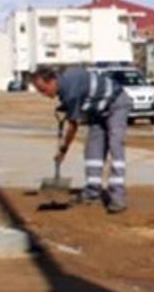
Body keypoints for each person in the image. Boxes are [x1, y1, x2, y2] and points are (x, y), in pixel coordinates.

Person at [31, 65, 131, 213]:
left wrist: (63, 150)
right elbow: (81, 90)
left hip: (116, 103)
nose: (43, 94)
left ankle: (118, 198)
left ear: (52, 81)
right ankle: (92, 192)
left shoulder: (71, 92)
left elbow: (73, 126)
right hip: (97, 111)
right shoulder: (65, 79)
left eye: (43, 90)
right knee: (92, 150)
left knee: (115, 146)